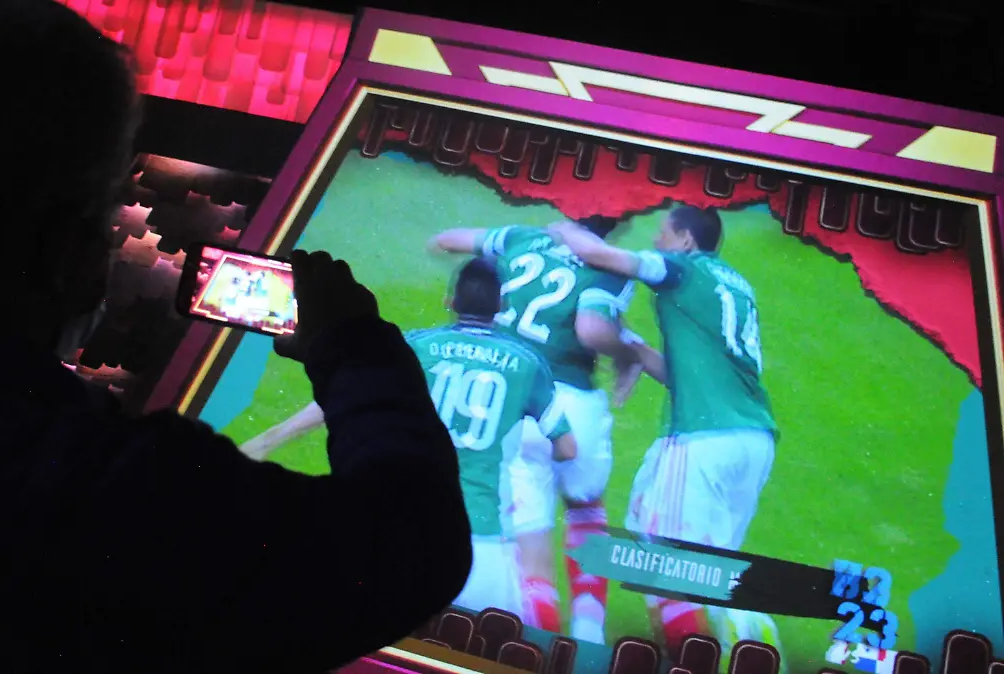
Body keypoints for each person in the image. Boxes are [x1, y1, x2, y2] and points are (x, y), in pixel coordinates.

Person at [0, 0, 470, 671]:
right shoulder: (105, 495)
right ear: (70, 254)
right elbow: (410, 547)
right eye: (103, 214)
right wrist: (353, 344)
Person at [241, 258, 576, 624]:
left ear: (451, 301)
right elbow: (567, 448)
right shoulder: (527, 363)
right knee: (487, 644)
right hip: (480, 546)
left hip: (405, 534)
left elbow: (346, 391)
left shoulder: (415, 346)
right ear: (500, 306)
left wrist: (269, 439)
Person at [548, 206, 781, 661]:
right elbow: (684, 374)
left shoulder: (683, 269)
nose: (656, 240)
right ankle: (739, 644)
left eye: (663, 233)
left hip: (703, 437)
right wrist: (633, 349)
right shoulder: (736, 284)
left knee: (658, 559)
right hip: (753, 440)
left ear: (686, 240)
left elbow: (606, 257)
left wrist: (565, 230)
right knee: (700, 566)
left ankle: (722, 641)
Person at [428, 216, 637, 644]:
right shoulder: (612, 264)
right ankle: (589, 631)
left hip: (516, 400)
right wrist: (627, 352)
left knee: (531, 545)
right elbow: (592, 328)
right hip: (575, 403)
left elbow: (449, 238)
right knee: (585, 508)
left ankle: (540, 647)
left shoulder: (521, 238)